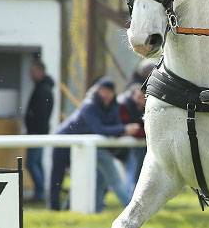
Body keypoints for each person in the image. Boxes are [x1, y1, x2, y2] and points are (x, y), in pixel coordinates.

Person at [48, 76, 140, 211]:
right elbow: (100, 129)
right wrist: (123, 129)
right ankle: (54, 209)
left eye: (107, 91)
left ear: (113, 93)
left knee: (80, 178)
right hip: (64, 141)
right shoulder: (89, 105)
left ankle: (67, 209)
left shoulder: (114, 106)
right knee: (57, 177)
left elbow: (113, 125)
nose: (104, 94)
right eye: (102, 90)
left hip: (82, 145)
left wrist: (122, 130)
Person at [24, 58, 54, 202]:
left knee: (31, 163)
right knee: (37, 163)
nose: (31, 74)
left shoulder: (42, 89)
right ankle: (40, 193)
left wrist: (33, 127)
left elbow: (41, 114)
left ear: (41, 71)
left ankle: (40, 192)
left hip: (37, 133)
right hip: (39, 132)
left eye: (33, 71)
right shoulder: (42, 87)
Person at [117, 82, 147, 201]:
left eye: (143, 98)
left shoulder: (144, 108)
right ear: (132, 96)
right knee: (133, 173)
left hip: (136, 145)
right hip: (122, 146)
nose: (140, 101)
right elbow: (127, 128)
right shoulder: (124, 106)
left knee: (135, 173)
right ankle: (130, 200)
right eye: (138, 97)